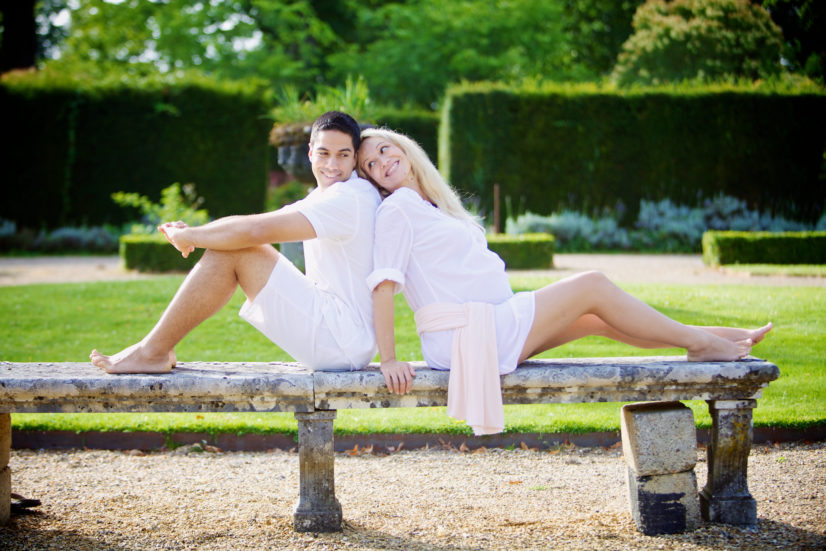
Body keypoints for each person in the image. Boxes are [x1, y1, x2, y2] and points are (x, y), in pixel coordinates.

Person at [357, 127, 773, 434]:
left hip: (491, 323)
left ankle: (718, 338)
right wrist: (390, 358)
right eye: (370, 166)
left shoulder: (429, 204)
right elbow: (384, 285)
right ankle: (702, 344)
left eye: (382, 150)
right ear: (372, 179)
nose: (381, 163)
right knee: (592, 284)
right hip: (467, 333)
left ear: (403, 147)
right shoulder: (397, 211)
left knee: (599, 321)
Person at [91, 111, 381, 373]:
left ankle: (152, 352)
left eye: (343, 155)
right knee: (237, 247)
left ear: (355, 157)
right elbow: (251, 225)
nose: (332, 164)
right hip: (344, 336)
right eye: (324, 153)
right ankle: (155, 350)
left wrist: (189, 236)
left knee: (236, 252)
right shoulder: (330, 196)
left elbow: (254, 231)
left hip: (342, 340)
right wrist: (195, 231)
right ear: (309, 153)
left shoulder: (349, 198)